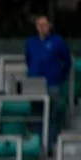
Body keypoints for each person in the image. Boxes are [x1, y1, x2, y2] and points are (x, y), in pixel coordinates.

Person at [25, 15, 71, 148]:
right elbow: (28, 59)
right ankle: (37, 144)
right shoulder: (31, 42)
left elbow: (67, 61)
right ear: (36, 27)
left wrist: (60, 75)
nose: (42, 27)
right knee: (36, 114)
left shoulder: (57, 41)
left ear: (49, 26)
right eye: (39, 25)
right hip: (35, 84)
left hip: (53, 83)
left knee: (53, 113)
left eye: (44, 25)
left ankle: (49, 143)